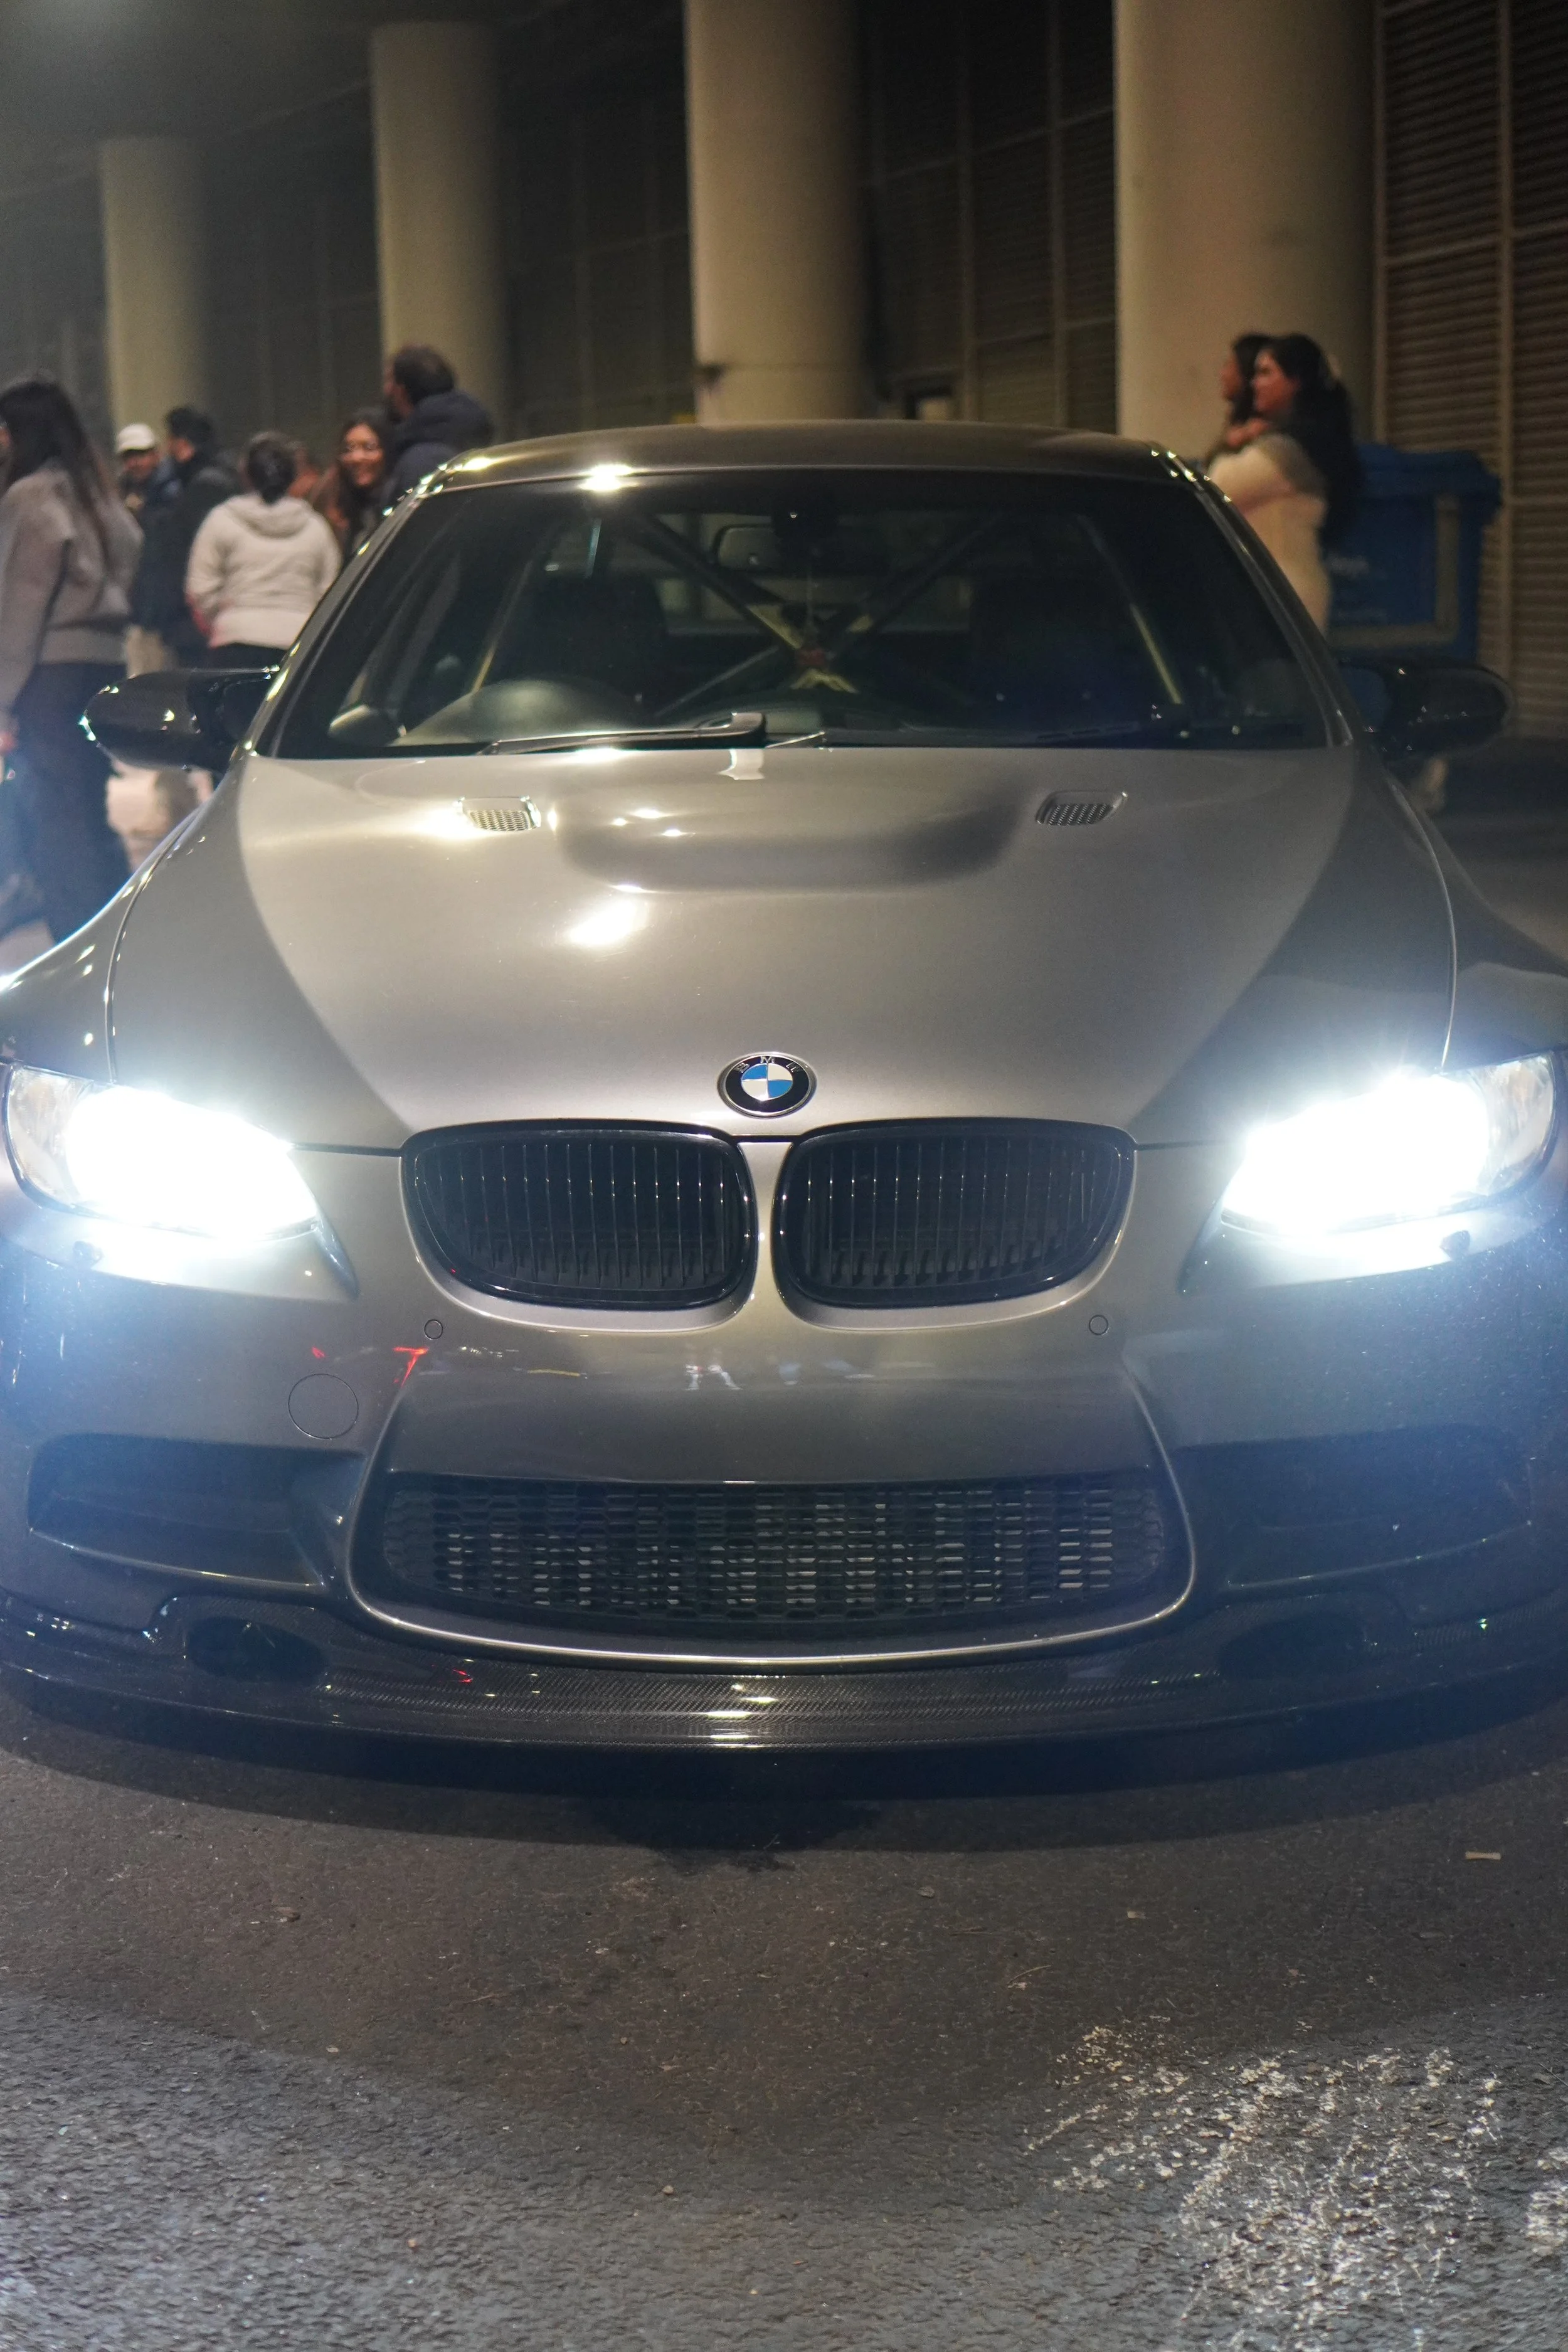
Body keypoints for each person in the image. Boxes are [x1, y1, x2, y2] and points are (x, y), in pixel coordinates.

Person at [0, 374, 138, 940]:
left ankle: (76, 951)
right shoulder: (96, 493)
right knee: (89, 805)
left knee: (56, 820)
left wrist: (2, 699)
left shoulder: (32, 495)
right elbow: (131, 549)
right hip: (104, 665)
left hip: (49, 673)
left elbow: (23, 602)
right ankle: (116, 935)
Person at [1206, 333, 1362, 630]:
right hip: (1281, 593)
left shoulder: (1289, 453)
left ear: (1295, 382)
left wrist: (1230, 443)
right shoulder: (1306, 443)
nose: (1255, 384)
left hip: (1282, 596)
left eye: (1266, 373)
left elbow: (1217, 487)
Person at [185, 429, 340, 667]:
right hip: (299, 642)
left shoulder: (221, 520)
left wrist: (224, 619)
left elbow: (201, 588)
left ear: (246, 473)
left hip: (235, 641)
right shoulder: (316, 527)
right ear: (293, 475)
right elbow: (329, 592)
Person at [130, 405, 240, 665]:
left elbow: (189, 550)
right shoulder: (211, 479)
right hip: (198, 616)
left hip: (195, 619)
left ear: (180, 443)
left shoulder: (204, 485)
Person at [381, 344, 492, 507]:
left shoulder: (421, 460)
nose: (385, 389)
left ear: (400, 391)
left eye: (389, 380)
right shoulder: (471, 433)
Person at [311, 410, 390, 558]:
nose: (356, 458)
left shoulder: (396, 504)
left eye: (369, 448)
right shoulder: (345, 508)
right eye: (349, 449)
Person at [1204, 332, 1272, 463]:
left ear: (1246, 372)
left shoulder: (1259, 433)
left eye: (1229, 365)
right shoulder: (1241, 425)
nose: (1222, 374)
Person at [114, 422, 162, 519]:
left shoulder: (171, 488)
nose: (133, 464)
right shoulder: (123, 486)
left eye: (140, 455)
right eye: (127, 457)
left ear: (155, 455)